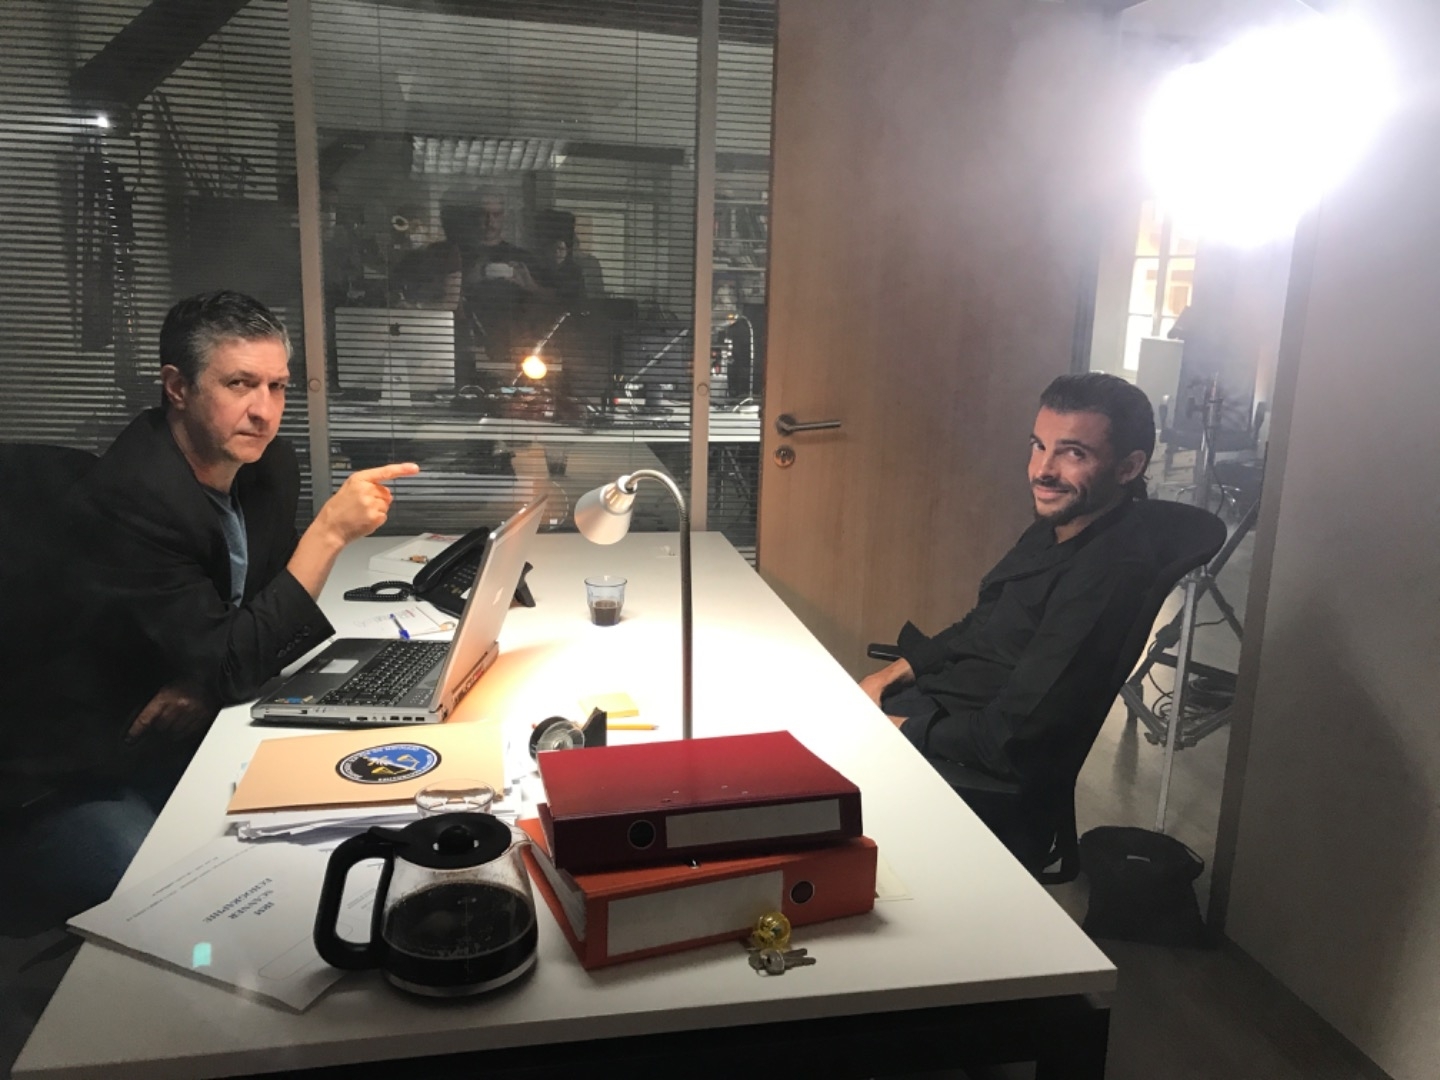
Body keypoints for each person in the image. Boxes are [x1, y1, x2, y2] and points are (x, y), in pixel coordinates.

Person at [2, 291, 418, 921]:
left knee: (347, 815)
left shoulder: (268, 466)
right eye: (239, 384)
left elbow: (259, 624)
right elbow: (241, 646)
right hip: (80, 766)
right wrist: (329, 535)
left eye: (277, 386)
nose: (264, 411)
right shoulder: (128, 497)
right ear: (178, 387)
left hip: (195, 720)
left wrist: (208, 679)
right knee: (175, 900)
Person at [859, 372, 1162, 785]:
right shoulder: (1056, 527)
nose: (1043, 471)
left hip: (960, 759)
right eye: (1039, 446)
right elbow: (980, 626)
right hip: (934, 707)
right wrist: (884, 678)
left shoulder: (1107, 576)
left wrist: (892, 728)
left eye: (1073, 453)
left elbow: (1007, 738)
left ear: (1129, 467)